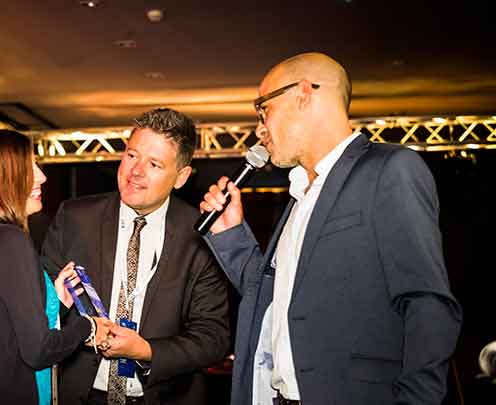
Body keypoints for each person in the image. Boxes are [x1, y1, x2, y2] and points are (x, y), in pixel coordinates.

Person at [199, 52, 462, 405]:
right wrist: (231, 234)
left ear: (303, 94)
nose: (260, 128)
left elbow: (427, 303)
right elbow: (276, 300)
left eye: (264, 110)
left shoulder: (389, 169)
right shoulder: (300, 194)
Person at [40, 108, 231, 405]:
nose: (136, 172)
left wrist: (146, 351)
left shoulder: (200, 235)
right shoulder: (74, 218)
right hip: (79, 395)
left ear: (181, 177)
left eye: (154, 164)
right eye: (131, 155)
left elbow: (213, 337)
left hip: (163, 397)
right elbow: (40, 305)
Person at [0, 129, 110, 405]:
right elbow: (39, 351)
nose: (42, 176)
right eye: (29, 166)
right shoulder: (10, 240)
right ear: (0, 178)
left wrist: (55, 301)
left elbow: (8, 330)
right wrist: (90, 327)